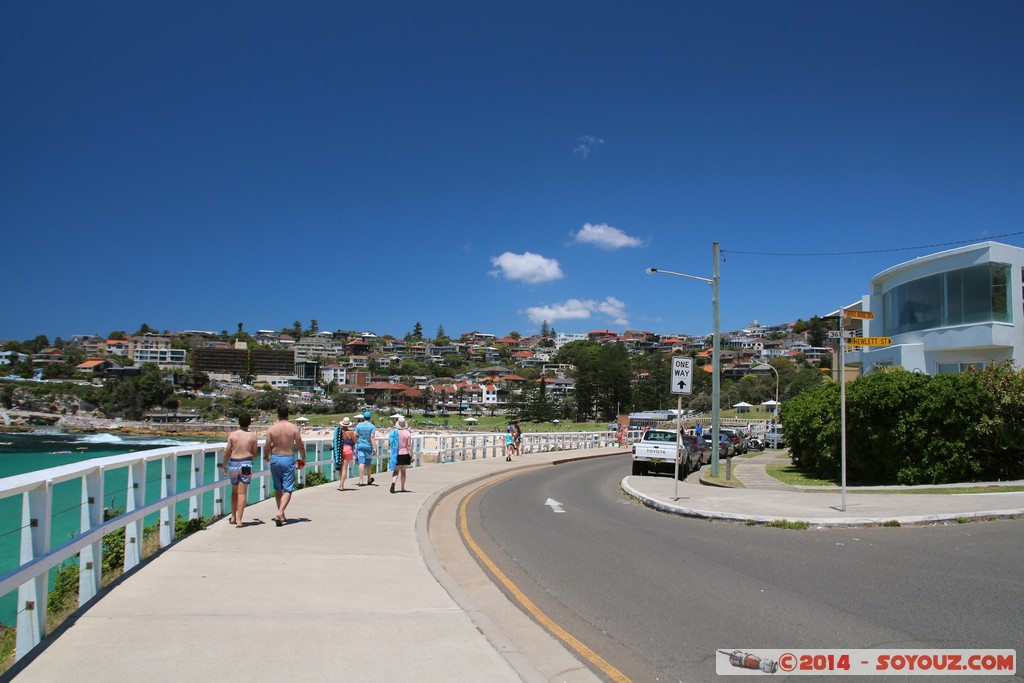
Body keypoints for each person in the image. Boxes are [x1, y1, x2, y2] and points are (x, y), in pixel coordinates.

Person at [265, 404, 306, 526]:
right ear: (288, 415)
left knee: (278, 488)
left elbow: (267, 445)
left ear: (278, 415)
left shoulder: (271, 428)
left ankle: (281, 514)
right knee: (288, 488)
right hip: (288, 458)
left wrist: (266, 455)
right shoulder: (293, 428)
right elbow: (299, 444)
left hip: (275, 459)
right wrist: (303, 457)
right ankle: (280, 512)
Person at [222, 413, 258, 528]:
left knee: (234, 491)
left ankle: (233, 516)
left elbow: (227, 452)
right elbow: (255, 454)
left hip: (233, 464)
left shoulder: (232, 435)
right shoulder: (252, 436)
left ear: (238, 422)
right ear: (249, 423)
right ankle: (239, 520)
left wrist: (223, 465)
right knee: (242, 492)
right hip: (246, 464)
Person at [390, 416, 413, 493]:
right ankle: (402, 488)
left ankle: (393, 483)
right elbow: (409, 445)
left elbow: (391, 443)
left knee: (396, 471)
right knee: (403, 472)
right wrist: (412, 455)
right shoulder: (408, 433)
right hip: (405, 453)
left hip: (396, 454)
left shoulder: (394, 433)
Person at [333, 417, 357, 490]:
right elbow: (355, 442)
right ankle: (342, 485)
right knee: (344, 469)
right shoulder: (350, 432)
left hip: (339, 450)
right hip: (348, 450)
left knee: (340, 468)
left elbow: (335, 441)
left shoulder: (338, 432)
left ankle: (340, 483)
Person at [354, 410, 377, 486]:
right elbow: (372, 437)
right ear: (370, 418)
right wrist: (374, 448)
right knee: (368, 463)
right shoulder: (372, 426)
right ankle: (369, 479)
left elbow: (354, 435)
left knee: (361, 462)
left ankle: (361, 481)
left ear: (364, 417)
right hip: (368, 446)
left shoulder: (358, 426)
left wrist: (356, 441)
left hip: (360, 446)